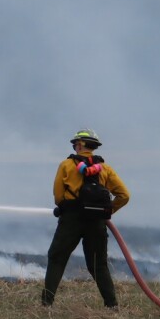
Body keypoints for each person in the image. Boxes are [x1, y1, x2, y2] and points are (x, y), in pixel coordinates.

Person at [41, 129, 130, 308]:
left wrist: (67, 206)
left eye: (75, 144)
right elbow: (124, 195)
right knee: (98, 265)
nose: (74, 147)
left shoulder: (66, 165)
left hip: (71, 220)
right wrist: (107, 212)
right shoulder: (106, 169)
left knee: (57, 258)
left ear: (80, 145)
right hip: (97, 222)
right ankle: (112, 305)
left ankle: (46, 304)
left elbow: (58, 196)